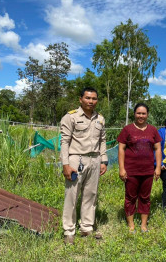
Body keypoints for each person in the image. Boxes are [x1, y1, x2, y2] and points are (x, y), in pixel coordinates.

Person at [60, 87, 108, 245]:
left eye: (94, 99)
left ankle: (86, 227)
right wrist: (65, 164)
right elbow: (65, 142)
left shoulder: (100, 119)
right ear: (80, 99)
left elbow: (102, 141)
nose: (91, 101)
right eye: (88, 98)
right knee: (72, 195)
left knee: (90, 195)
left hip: (95, 160)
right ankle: (69, 230)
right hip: (76, 160)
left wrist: (104, 161)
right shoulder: (71, 117)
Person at [117, 103, 162, 233]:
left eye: (143, 113)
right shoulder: (127, 130)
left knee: (145, 197)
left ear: (147, 115)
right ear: (134, 114)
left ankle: (143, 225)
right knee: (130, 197)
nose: (141, 116)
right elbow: (121, 149)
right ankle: (131, 225)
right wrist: (121, 168)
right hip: (131, 170)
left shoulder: (153, 130)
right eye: (138, 113)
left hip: (148, 171)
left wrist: (158, 168)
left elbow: (158, 149)